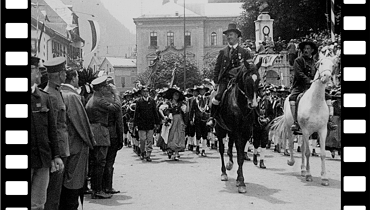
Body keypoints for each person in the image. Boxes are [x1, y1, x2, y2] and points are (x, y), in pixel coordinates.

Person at [59, 69, 95, 210]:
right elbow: (82, 125)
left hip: (62, 147)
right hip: (75, 146)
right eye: (77, 76)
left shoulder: (55, 93)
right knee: (73, 186)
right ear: (73, 78)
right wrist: (91, 142)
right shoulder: (72, 96)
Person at [31, 56, 64, 210]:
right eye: (36, 69)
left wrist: (56, 156)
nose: (39, 73)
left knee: (38, 204)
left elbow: (52, 130)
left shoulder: (44, 98)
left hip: (43, 158)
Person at [208, 22, 253, 127]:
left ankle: (257, 118)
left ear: (237, 36)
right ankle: (212, 117)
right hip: (226, 80)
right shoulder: (222, 52)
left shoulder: (244, 52)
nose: (228, 37)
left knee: (253, 95)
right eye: (227, 35)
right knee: (218, 96)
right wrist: (216, 82)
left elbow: (250, 67)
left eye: (231, 34)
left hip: (240, 80)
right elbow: (217, 68)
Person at [85, 75, 122, 199]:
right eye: (105, 86)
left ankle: (97, 189)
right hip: (100, 132)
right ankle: (98, 190)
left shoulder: (93, 98)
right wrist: (116, 94)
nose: (107, 88)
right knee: (100, 162)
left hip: (95, 131)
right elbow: (115, 108)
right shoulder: (99, 100)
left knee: (97, 162)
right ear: (101, 88)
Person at [289, 41, 337, 133]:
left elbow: (319, 73)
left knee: (328, 98)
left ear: (312, 51)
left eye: (308, 49)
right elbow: (299, 74)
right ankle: (295, 122)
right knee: (292, 98)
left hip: (314, 86)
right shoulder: (298, 61)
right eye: (305, 49)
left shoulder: (316, 62)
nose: (306, 50)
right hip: (300, 86)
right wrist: (308, 80)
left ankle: (329, 121)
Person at [43, 57, 70, 210]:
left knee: (57, 192)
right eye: (64, 71)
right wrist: (56, 154)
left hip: (62, 146)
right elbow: (51, 127)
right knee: (52, 194)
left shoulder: (56, 92)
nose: (66, 74)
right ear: (59, 74)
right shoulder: (50, 95)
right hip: (57, 149)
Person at [103, 77, 124, 194]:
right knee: (109, 162)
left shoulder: (94, 98)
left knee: (100, 161)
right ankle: (108, 186)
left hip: (98, 134)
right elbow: (119, 122)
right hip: (112, 134)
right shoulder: (114, 101)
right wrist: (121, 139)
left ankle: (100, 186)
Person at [133, 86, 160, 162]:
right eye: (144, 92)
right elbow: (136, 113)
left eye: (147, 92)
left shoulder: (152, 101)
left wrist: (157, 122)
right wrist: (135, 124)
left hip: (150, 123)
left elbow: (155, 112)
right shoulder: (139, 101)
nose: (145, 93)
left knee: (150, 140)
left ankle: (148, 154)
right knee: (142, 139)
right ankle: (142, 152)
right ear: (142, 93)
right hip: (141, 124)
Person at [165, 87, 187, 160]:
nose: (176, 96)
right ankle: (170, 149)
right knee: (172, 135)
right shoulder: (169, 103)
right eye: (175, 94)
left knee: (179, 135)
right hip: (172, 120)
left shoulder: (181, 104)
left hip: (180, 120)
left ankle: (177, 152)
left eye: (178, 95)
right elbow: (165, 111)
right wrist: (169, 114)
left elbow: (185, 111)